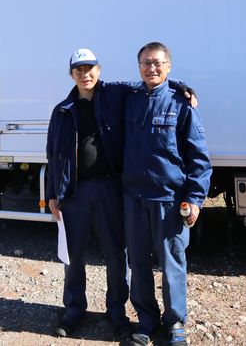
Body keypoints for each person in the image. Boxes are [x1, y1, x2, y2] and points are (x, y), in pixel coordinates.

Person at [46, 48, 195, 341]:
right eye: (78, 70)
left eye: (89, 68)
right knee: (73, 256)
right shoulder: (62, 110)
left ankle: (116, 313)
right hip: (74, 192)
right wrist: (53, 192)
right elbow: (53, 153)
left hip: (109, 188)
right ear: (72, 75)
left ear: (99, 70)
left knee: (116, 254)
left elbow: (150, 82)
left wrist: (181, 86)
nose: (85, 74)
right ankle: (73, 310)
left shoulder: (114, 94)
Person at [121, 42, 212, 346]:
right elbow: (103, 87)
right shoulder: (129, 100)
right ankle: (146, 321)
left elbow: (199, 157)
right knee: (138, 263)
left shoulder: (181, 103)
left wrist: (195, 199)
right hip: (134, 198)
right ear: (139, 67)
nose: (152, 68)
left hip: (169, 200)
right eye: (146, 63)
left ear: (168, 66)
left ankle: (175, 323)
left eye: (158, 63)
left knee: (173, 262)